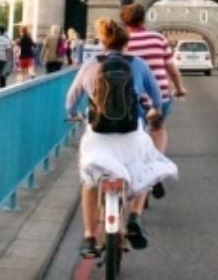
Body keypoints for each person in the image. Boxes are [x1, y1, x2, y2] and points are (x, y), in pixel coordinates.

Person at [66, 18, 177, 258]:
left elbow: (71, 100)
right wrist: (153, 111)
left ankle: (88, 237)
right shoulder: (139, 64)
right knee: (144, 172)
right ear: (127, 42)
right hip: (132, 133)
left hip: (98, 135)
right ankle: (136, 215)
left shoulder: (90, 64)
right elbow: (157, 99)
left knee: (90, 181)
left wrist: (73, 115)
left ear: (103, 41)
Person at [121, 3, 186, 200]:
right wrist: (180, 88)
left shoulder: (122, 40)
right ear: (144, 19)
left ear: (124, 21)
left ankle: (133, 173)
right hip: (160, 96)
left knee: (131, 133)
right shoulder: (158, 39)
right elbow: (171, 68)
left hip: (129, 97)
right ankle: (155, 169)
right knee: (158, 129)